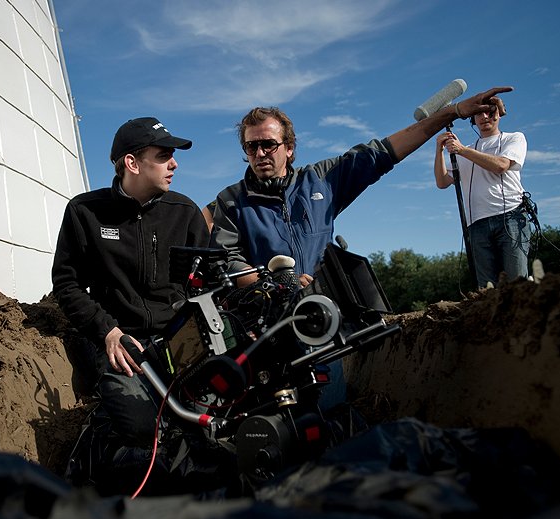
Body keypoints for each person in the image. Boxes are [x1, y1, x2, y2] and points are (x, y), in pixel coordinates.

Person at [209, 86, 514, 289]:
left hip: (324, 315)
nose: (260, 153)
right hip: (266, 324)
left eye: (268, 144)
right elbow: (227, 261)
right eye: (252, 147)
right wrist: (275, 283)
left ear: (288, 148)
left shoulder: (321, 180)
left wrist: (453, 112)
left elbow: (383, 152)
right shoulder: (232, 200)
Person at [51, 117, 210, 446]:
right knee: (143, 430)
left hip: (178, 339)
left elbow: (205, 281)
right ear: (132, 163)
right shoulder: (85, 212)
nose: (175, 163)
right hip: (120, 342)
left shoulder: (186, 212)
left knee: (211, 416)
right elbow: (67, 285)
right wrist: (107, 332)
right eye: (164, 155)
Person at [433, 97, 530, 288]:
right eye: (479, 113)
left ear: (499, 114)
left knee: (516, 284)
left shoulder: (514, 138)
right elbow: (443, 182)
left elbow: (501, 165)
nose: (485, 117)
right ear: (473, 119)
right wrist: (439, 151)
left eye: (490, 112)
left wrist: (461, 150)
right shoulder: (466, 151)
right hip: (476, 224)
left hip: (510, 217)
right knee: (487, 288)